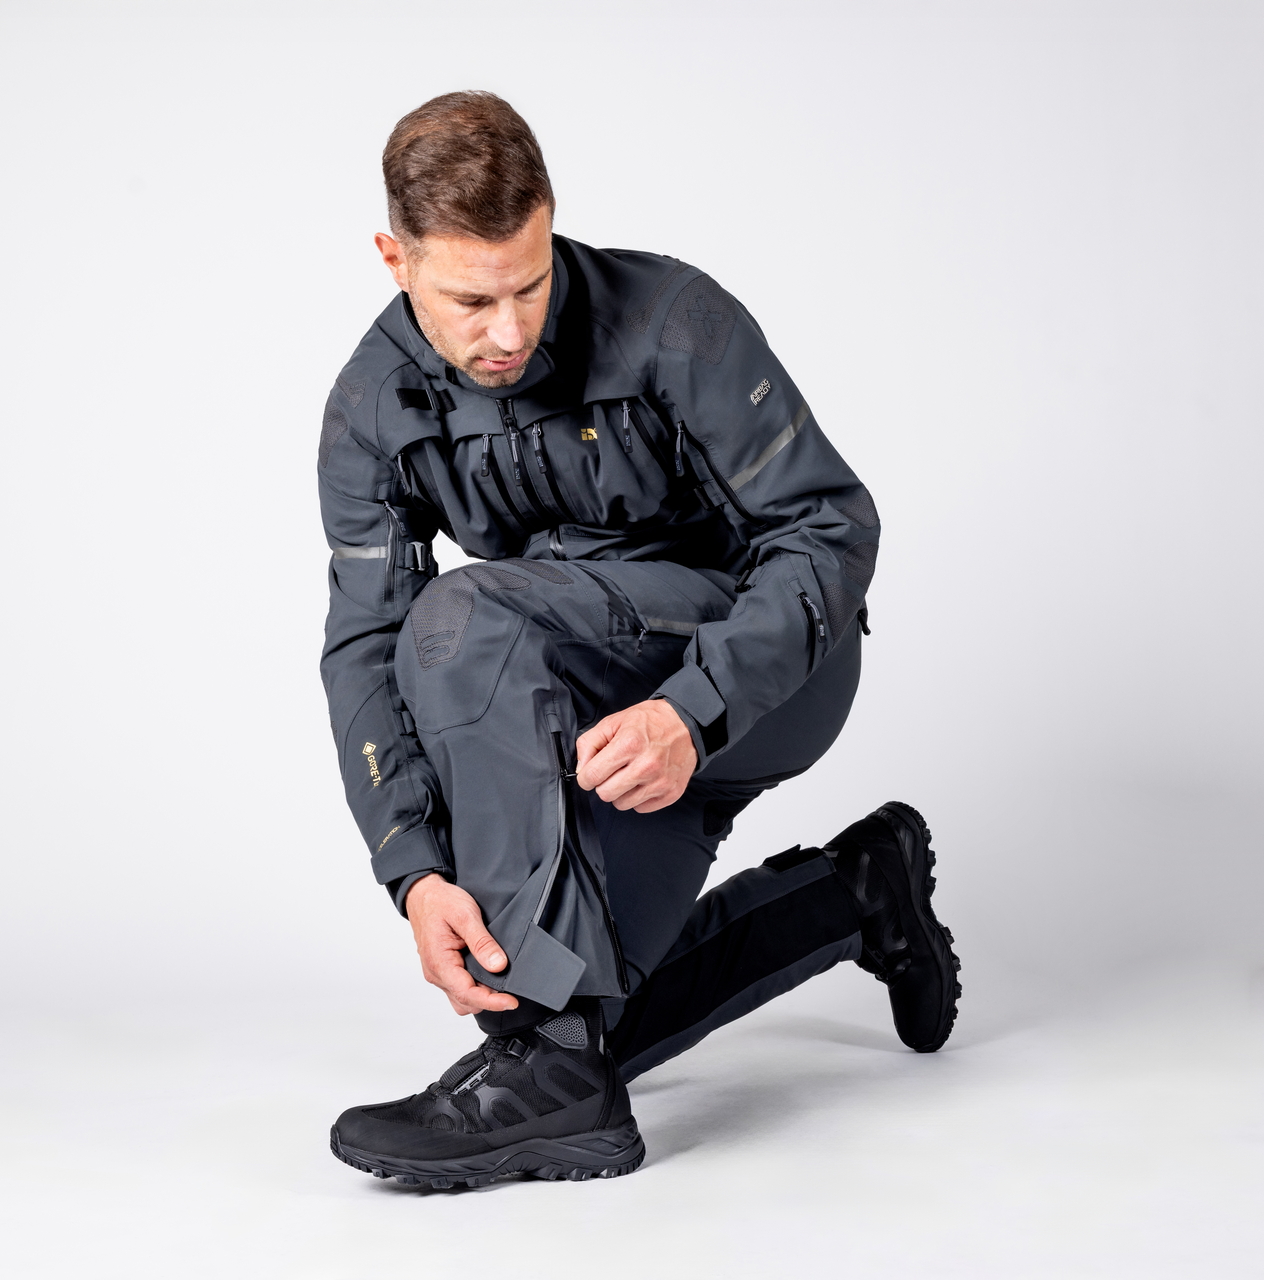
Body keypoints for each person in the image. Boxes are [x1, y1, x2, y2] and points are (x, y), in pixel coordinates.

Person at [319, 91, 960, 1190]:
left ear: (551, 224)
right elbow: (366, 648)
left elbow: (828, 529)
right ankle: (857, 891)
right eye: (471, 300)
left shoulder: (673, 320)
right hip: (584, 704)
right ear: (395, 259)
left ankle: (546, 1068)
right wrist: (412, 872)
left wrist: (691, 710)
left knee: (463, 616)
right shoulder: (370, 410)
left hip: (765, 675)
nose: (509, 331)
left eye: (528, 284)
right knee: (572, 999)